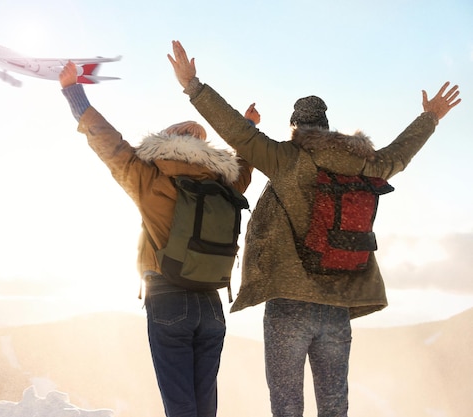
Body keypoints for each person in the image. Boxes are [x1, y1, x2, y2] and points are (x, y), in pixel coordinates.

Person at [168, 40, 461, 417]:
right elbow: (399, 155)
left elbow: (238, 134)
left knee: (287, 405)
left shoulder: (288, 159)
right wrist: (431, 116)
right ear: (326, 126)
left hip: (288, 303)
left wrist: (193, 86)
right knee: (335, 406)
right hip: (338, 305)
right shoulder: (365, 164)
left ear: (295, 128)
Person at [58, 60, 256, 417]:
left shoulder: (150, 176)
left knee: (180, 404)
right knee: (204, 401)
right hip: (212, 303)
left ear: (165, 141)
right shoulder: (225, 181)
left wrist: (74, 93)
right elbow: (245, 164)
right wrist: (249, 127)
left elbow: (108, 143)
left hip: (168, 296)